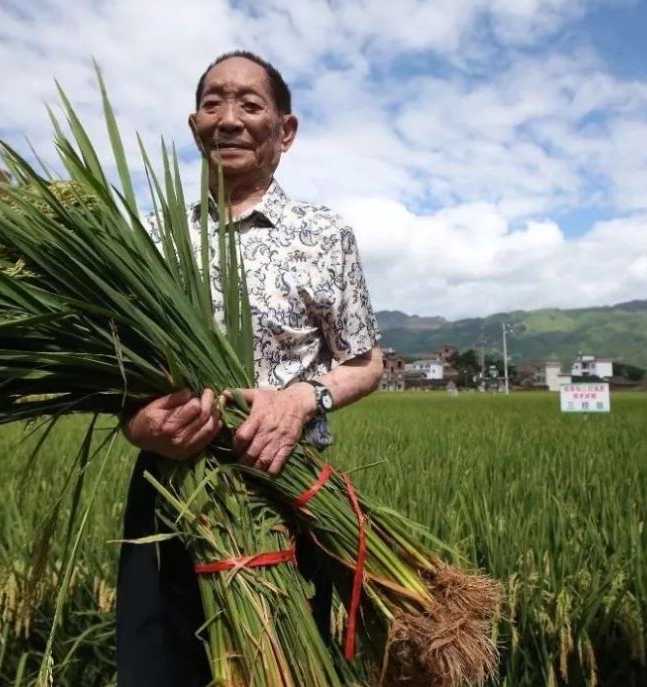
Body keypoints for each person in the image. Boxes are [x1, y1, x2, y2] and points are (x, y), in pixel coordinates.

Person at [116, 50, 384, 687]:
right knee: (160, 670)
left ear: (284, 131)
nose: (228, 119)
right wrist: (137, 424)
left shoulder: (323, 234)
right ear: (193, 124)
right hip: (170, 495)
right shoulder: (153, 239)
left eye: (250, 104)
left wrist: (300, 399)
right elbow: (120, 371)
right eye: (213, 103)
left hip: (285, 489)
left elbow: (366, 360)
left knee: (288, 667)